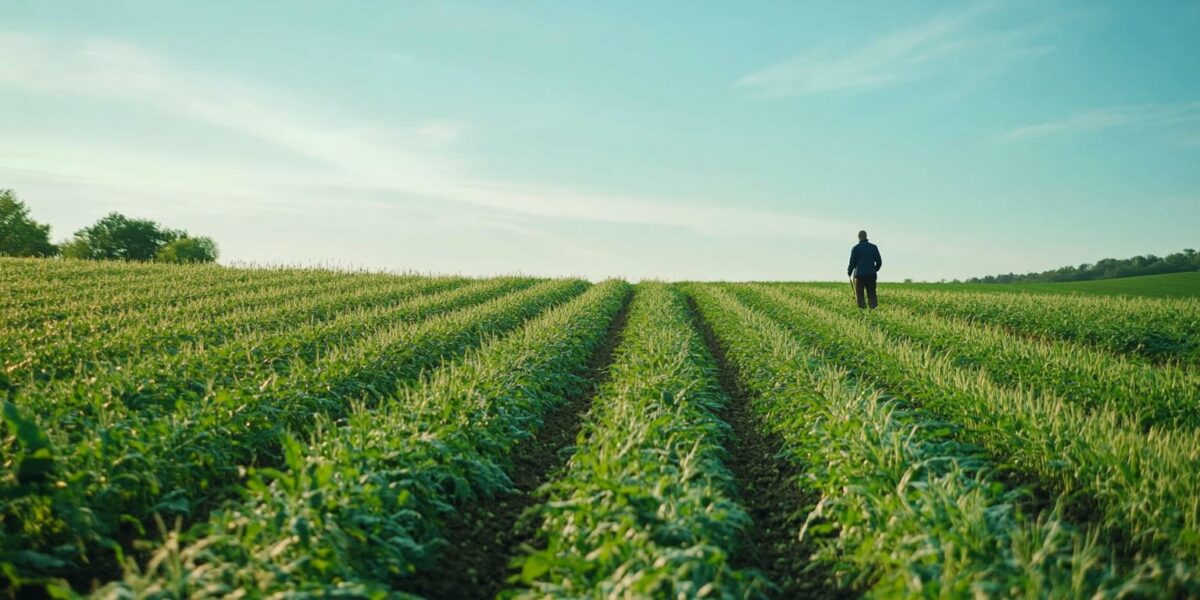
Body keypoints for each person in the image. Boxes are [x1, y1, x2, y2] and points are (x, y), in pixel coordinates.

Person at [847, 230, 882, 309]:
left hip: (860, 276)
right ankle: (873, 311)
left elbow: (852, 263)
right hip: (871, 275)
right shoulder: (873, 247)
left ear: (859, 237)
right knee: (872, 295)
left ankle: (862, 312)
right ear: (866, 236)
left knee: (860, 296)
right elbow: (879, 261)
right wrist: (875, 269)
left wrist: (849, 272)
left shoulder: (855, 248)